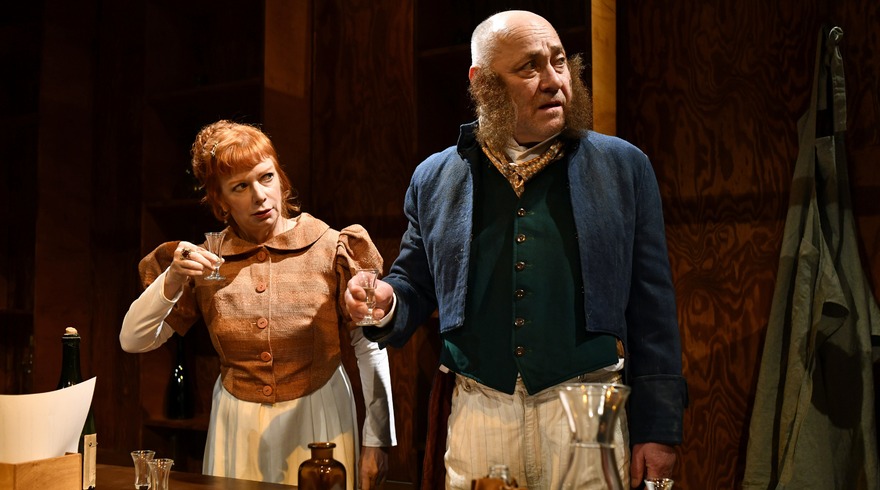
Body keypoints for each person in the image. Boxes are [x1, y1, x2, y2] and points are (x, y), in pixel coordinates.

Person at [345, 10, 687, 490]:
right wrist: (386, 300)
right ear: (482, 82)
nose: (554, 81)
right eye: (530, 67)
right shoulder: (435, 178)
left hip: (591, 407)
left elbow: (654, 312)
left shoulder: (623, 167)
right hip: (479, 411)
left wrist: (658, 429)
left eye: (559, 61)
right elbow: (414, 283)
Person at [121, 120, 396, 489]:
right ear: (220, 201)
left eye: (266, 178)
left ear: (281, 178)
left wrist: (377, 441)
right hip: (238, 426)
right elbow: (133, 340)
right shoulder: (205, 261)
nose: (260, 196)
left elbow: (369, 345)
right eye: (240, 187)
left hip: (318, 419)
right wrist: (171, 278)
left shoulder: (330, 247)